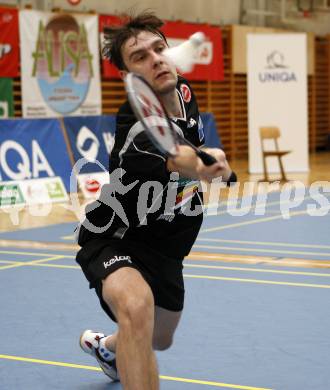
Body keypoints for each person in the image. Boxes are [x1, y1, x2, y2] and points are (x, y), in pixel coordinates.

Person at [76, 11, 235, 390]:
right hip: (116, 237)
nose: (156, 59)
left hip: (167, 249)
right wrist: (199, 162)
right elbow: (176, 156)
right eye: (140, 57)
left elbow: (184, 137)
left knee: (158, 338)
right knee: (135, 308)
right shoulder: (135, 125)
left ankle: (108, 348)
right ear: (128, 76)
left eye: (159, 49)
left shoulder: (182, 91)